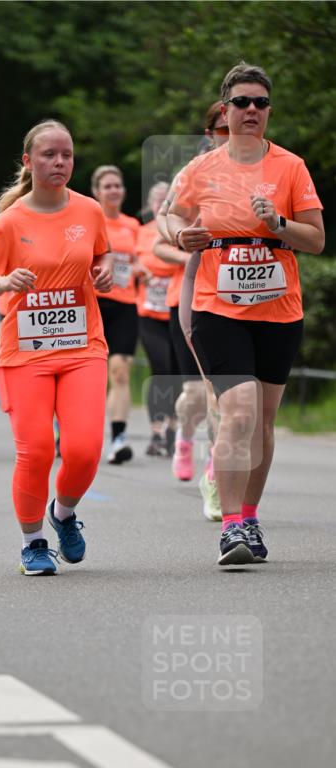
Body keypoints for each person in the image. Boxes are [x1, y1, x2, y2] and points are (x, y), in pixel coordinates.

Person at [167, 62, 324, 565]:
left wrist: (277, 223)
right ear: (226, 109)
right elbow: (171, 212)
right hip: (218, 306)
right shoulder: (202, 169)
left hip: (279, 308)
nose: (251, 110)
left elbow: (316, 240)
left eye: (259, 102)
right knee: (237, 412)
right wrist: (180, 233)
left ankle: (250, 517)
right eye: (241, 102)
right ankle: (231, 527)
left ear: (269, 111)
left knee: (263, 424)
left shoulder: (291, 167)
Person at [0, 120, 113, 575]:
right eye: (49, 154)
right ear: (29, 162)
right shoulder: (8, 223)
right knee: (36, 451)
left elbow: (102, 253)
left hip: (82, 346)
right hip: (25, 352)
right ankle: (33, 541)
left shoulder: (89, 212)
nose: (60, 162)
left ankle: (64, 513)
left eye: (66, 154)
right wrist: (3, 281)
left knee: (85, 449)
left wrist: (104, 270)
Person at [154, 101, 228, 520]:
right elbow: (162, 230)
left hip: (244, 296)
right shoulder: (196, 173)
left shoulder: (270, 169)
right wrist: (184, 242)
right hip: (195, 288)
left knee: (228, 396)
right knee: (198, 394)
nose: (229, 132)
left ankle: (216, 477)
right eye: (219, 128)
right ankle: (185, 436)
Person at [90, 165, 140, 464]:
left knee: (120, 372)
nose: (113, 190)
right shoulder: (88, 220)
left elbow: (138, 260)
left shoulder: (132, 225)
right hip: (92, 303)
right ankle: (68, 431)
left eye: (117, 185)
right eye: (107, 186)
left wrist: (138, 269)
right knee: (89, 375)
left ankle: (119, 437)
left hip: (124, 304)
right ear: (96, 192)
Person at [135, 181, 181, 457]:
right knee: (161, 368)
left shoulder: (179, 233)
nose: (161, 204)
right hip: (149, 312)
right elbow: (129, 261)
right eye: (158, 200)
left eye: (167, 200)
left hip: (175, 309)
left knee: (177, 373)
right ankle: (156, 432)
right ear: (152, 205)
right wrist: (141, 270)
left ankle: (173, 432)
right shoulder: (141, 234)